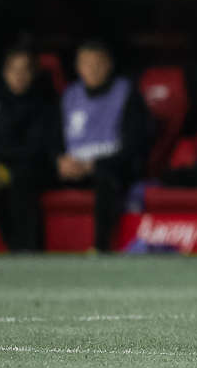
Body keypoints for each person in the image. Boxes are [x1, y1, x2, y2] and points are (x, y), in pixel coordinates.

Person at [53, 40, 151, 254]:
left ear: (109, 64)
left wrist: (93, 165)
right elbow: (54, 138)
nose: (92, 69)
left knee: (106, 176)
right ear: (77, 67)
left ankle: (100, 249)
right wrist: (59, 160)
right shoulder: (69, 95)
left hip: (112, 167)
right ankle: (24, 251)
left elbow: (133, 145)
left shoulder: (127, 93)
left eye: (97, 63)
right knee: (26, 176)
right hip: (73, 168)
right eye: (86, 63)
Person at [0, 46, 57, 252]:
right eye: (14, 70)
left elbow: (34, 151)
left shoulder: (43, 104)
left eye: (25, 70)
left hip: (29, 168)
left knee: (21, 183)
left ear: (34, 73)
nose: (19, 76)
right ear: (5, 71)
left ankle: (25, 252)